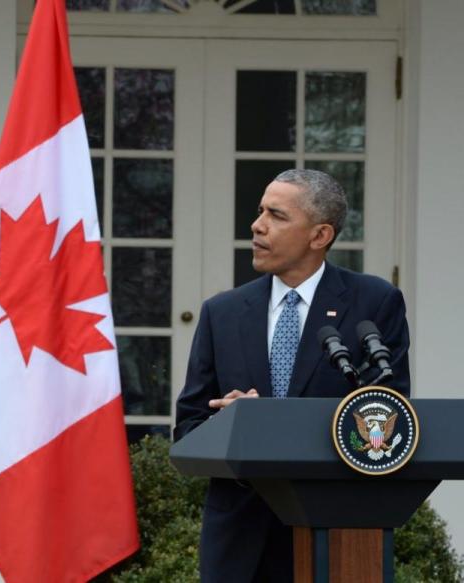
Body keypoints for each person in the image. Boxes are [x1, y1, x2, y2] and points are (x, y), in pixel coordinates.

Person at [174, 169, 410, 582]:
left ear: (320, 236)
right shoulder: (222, 313)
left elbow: (388, 421)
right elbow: (188, 430)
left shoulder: (374, 302)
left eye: (277, 216)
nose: (257, 224)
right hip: (240, 541)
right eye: (261, 211)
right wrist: (232, 426)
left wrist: (269, 424)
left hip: (338, 535)